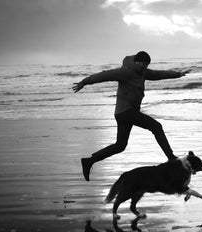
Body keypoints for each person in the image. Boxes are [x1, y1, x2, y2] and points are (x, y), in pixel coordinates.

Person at [72, 51, 190, 181]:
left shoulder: (143, 72)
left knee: (120, 146)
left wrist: (177, 74)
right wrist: (84, 82)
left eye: (147, 65)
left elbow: (158, 74)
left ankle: (89, 161)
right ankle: (171, 158)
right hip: (126, 111)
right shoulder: (125, 72)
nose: (145, 67)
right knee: (156, 127)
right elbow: (104, 75)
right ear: (136, 62)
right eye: (143, 65)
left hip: (124, 113)